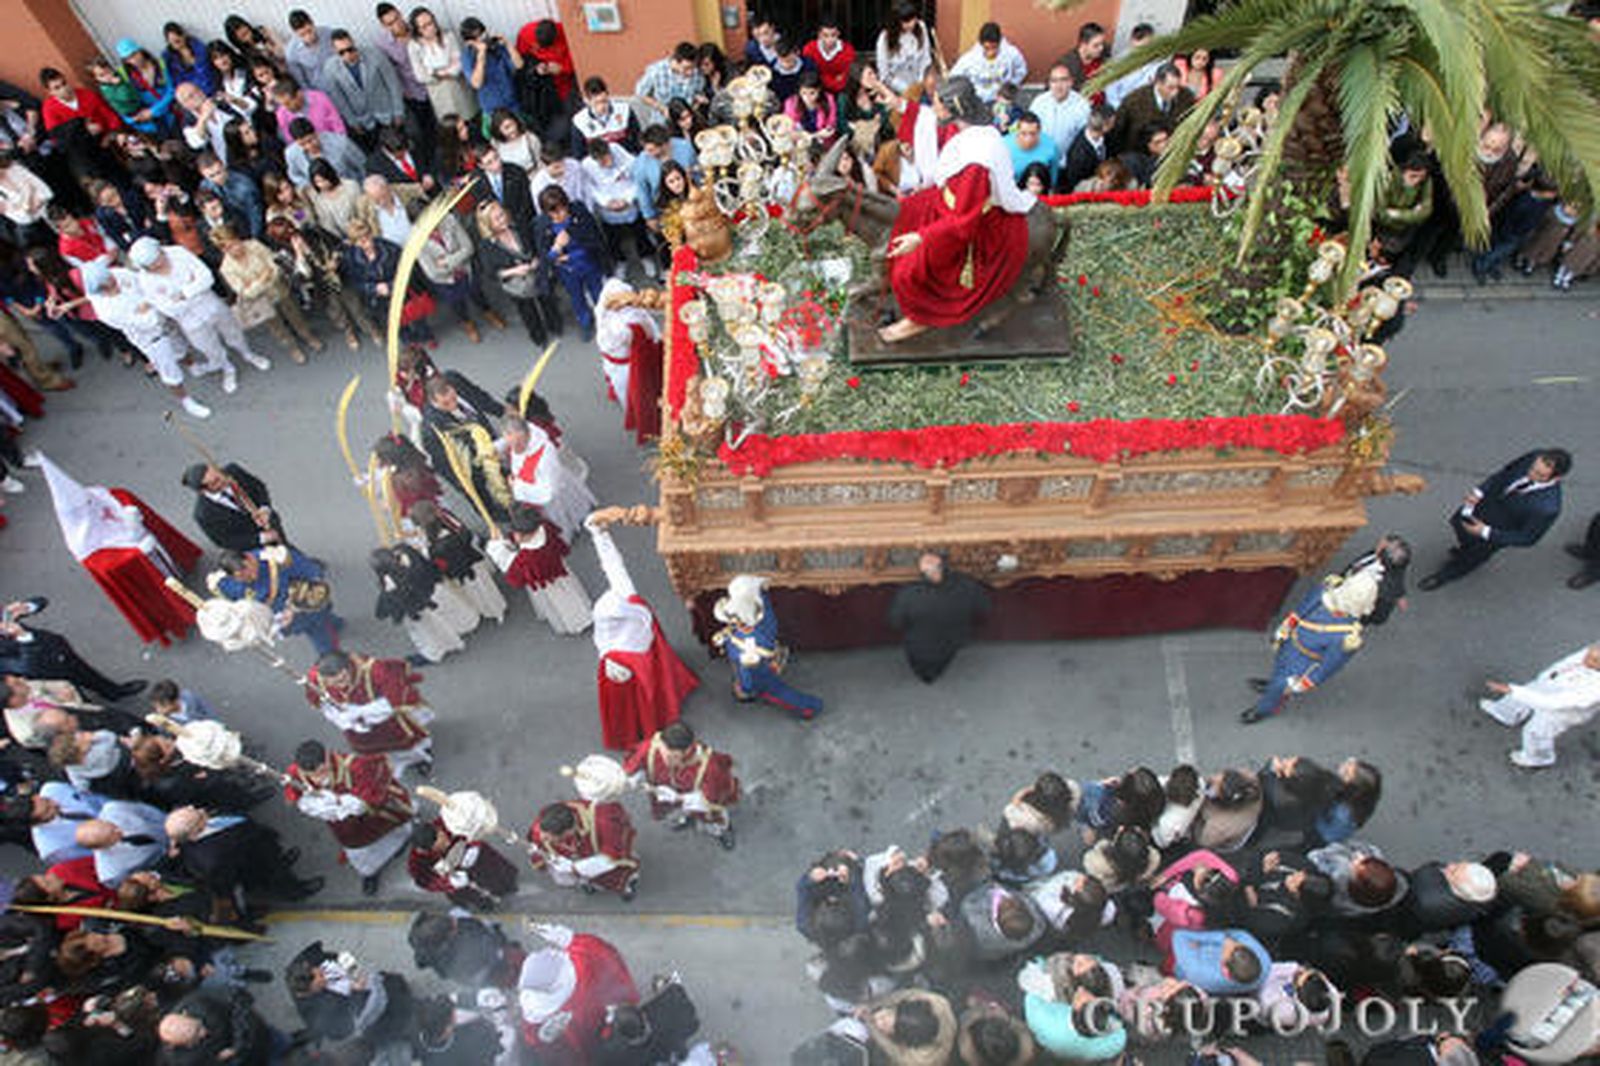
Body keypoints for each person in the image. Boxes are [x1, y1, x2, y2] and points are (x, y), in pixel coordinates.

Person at [877, 78, 1037, 343]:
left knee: (910, 271)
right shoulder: (959, 124)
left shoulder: (977, 163)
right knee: (907, 211)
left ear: (953, 109)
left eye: (937, 103)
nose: (933, 108)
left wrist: (921, 237)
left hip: (965, 219)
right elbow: (927, 121)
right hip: (945, 198)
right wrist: (898, 104)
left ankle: (920, 318)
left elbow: (964, 222)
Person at [586, 510, 699, 749]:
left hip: (636, 669)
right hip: (653, 651)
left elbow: (622, 697)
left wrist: (598, 534)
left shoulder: (612, 655)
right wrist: (599, 534)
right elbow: (613, 565)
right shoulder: (628, 599)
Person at [128, 235, 270, 395]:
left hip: (211, 305)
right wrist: (193, 288)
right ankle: (227, 368)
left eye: (160, 257)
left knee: (234, 333)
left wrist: (183, 294)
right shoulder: (145, 280)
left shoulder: (178, 253)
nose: (161, 263)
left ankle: (248, 354)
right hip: (189, 321)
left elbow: (206, 278)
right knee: (209, 348)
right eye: (154, 265)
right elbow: (168, 309)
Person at [1418, 447, 1571, 590]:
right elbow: (1504, 474)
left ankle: (1447, 574)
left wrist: (1485, 532)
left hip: (1497, 531)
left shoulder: (1548, 507)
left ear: (1557, 478)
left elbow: (1528, 538)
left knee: (1474, 555)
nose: (1530, 474)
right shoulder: (1534, 456)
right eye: (1533, 469)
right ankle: (1464, 549)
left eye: (1539, 475)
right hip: (1482, 505)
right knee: (1460, 527)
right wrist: (1479, 492)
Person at [1241, 569, 1380, 723]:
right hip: (1291, 642)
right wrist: (1283, 630)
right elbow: (1301, 611)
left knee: (1282, 682)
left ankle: (1264, 708)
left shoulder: (1349, 637)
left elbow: (1329, 665)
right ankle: (1273, 686)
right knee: (1279, 669)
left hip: (1304, 661)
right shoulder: (1326, 591)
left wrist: (1306, 682)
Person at [79, 260, 210, 419]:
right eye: (109, 282)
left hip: (164, 323)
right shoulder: (106, 311)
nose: (114, 280)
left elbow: (143, 282)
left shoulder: (117, 274)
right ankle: (186, 401)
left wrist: (148, 304)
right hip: (152, 339)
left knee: (180, 348)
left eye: (111, 276)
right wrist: (154, 302)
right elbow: (147, 322)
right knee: (170, 372)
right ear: (100, 288)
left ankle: (194, 367)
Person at [285, 738, 415, 895]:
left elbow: (377, 789)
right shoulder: (297, 773)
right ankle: (369, 872)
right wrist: (307, 802)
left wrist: (353, 803)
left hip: (371, 817)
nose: (317, 779)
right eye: (312, 776)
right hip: (346, 827)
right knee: (358, 850)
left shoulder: (354, 766)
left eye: (322, 772)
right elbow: (292, 793)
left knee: (391, 828)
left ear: (327, 759)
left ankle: (401, 842)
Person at [163, 804, 323, 922]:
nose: (201, 810)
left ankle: (280, 859)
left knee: (276, 858)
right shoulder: (210, 859)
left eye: (193, 809)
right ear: (193, 833)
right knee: (277, 876)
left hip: (258, 843)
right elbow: (225, 883)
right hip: (256, 865)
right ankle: (296, 891)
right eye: (198, 816)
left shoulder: (200, 826)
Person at [516, 923, 638, 1063]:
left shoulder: (582, 969)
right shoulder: (581, 966)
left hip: (597, 1040)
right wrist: (570, 939)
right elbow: (601, 952)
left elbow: (531, 1035)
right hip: (591, 1045)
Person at [303, 650, 434, 777]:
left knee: (403, 742)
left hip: (385, 718)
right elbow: (322, 704)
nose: (341, 686)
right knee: (372, 748)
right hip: (355, 727)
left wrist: (361, 711)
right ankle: (390, 763)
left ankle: (418, 759)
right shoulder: (315, 679)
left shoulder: (375, 670)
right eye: (334, 683)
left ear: (348, 667)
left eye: (343, 679)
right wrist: (342, 720)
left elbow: (395, 698)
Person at [710, 574, 823, 720]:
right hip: (768, 651)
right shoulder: (761, 608)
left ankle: (808, 707)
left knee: (776, 692)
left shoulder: (747, 643)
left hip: (759, 672)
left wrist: (746, 688)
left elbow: (747, 669)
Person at [1479, 640, 1600, 769]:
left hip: (1565, 711)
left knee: (1537, 731)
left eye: (1593, 660)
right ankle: (1506, 713)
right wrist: (1548, 676)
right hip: (1558, 682)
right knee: (1528, 692)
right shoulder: (1593, 654)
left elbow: (1553, 703)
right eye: (1588, 653)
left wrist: (1512, 690)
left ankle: (1539, 758)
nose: (1584, 659)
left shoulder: (1595, 690)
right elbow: (1570, 661)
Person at [623, 720, 740, 848]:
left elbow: (711, 799)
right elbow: (635, 766)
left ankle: (721, 830)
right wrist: (633, 781)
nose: (666, 761)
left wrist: (679, 798)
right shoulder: (652, 748)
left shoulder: (709, 767)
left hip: (695, 798)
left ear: (687, 751)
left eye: (673, 757)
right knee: (680, 810)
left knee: (711, 817)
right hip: (671, 793)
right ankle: (687, 816)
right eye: (664, 753)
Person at [213, 225, 321, 364]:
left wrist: (254, 283)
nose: (236, 248)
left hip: (278, 289)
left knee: (294, 315)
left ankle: (308, 336)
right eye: (229, 247)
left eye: (236, 242)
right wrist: (263, 278)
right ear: (223, 250)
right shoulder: (227, 268)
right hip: (261, 302)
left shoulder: (254, 245)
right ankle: (292, 348)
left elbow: (274, 265)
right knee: (276, 327)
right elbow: (245, 293)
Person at [0, 598, 144, 700]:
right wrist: (23, 637)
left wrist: (27, 606)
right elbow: (26, 667)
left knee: (86, 673)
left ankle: (113, 692)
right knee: (75, 696)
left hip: (57, 649)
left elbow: (41, 601)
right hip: (47, 671)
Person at [210, 544, 340, 655]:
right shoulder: (223, 584)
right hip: (277, 620)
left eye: (248, 568)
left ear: (249, 557)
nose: (251, 576)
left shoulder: (278, 559)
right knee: (324, 622)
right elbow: (235, 609)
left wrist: (294, 609)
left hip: (303, 608)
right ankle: (333, 623)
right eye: (241, 576)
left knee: (322, 635)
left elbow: (313, 576)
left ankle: (331, 656)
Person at [485, 502, 592, 635]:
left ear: (525, 534)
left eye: (516, 533)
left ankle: (579, 621)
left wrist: (496, 546)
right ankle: (582, 611)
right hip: (557, 567)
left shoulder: (528, 557)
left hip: (547, 581)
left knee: (561, 601)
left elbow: (515, 574)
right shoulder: (544, 527)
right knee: (569, 590)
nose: (515, 535)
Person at [887, 550, 991, 683]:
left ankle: (927, 675)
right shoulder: (968, 586)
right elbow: (984, 609)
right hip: (954, 642)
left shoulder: (907, 594)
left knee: (923, 667)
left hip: (918, 648)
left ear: (922, 571)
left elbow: (895, 623)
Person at [422, 371, 514, 520]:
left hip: (482, 437)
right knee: (477, 487)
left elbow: (479, 397)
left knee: (500, 472)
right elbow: (463, 451)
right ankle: (490, 513)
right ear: (433, 401)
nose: (452, 405)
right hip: (459, 462)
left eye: (453, 398)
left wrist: (501, 410)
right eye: (446, 404)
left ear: (453, 387)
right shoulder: (433, 427)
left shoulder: (455, 379)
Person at [497, 411, 594, 541]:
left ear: (525, 435)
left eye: (517, 444)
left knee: (560, 517)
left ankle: (569, 529)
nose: (514, 449)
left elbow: (551, 491)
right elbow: (506, 440)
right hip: (530, 485)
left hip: (549, 497)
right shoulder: (521, 432)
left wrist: (518, 486)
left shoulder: (546, 455)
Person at [533, 184, 607, 341]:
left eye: (562, 209)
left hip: (588, 264)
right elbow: (545, 256)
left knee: (598, 293)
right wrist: (556, 248)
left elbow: (593, 240)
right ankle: (585, 322)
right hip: (567, 272)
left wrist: (570, 256)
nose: (560, 214)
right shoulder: (541, 225)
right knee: (577, 298)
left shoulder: (579, 213)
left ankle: (605, 320)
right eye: (554, 212)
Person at [527, 798, 640, 900]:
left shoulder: (603, 821)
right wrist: (547, 860)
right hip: (576, 861)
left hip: (600, 857)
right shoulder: (544, 824)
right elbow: (538, 847)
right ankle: (590, 883)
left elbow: (611, 858)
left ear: (568, 832)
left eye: (550, 837)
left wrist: (574, 868)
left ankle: (626, 885)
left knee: (616, 876)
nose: (542, 837)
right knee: (580, 879)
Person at [407, 816, 519, 911]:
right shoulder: (416, 862)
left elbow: (471, 828)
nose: (447, 843)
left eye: (443, 837)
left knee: (500, 876)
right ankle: (490, 905)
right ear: (425, 850)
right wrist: (449, 883)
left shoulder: (446, 821)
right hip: (461, 881)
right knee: (480, 899)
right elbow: (426, 883)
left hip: (479, 858)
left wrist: (474, 845)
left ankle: (509, 886)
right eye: (441, 845)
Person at [320, 30, 404, 151]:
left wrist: (398, 111)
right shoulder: (330, 68)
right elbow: (339, 99)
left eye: (350, 49)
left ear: (353, 42)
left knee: (399, 147)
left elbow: (392, 83)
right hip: (364, 120)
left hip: (387, 113)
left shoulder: (375, 54)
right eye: (341, 52)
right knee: (377, 152)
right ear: (334, 51)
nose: (348, 55)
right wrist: (352, 122)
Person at [180, 460, 285, 552]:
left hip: (271, 523)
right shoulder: (203, 515)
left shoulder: (232, 471)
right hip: (255, 547)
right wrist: (261, 538)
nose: (223, 479)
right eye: (215, 482)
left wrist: (264, 509)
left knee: (287, 548)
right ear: (203, 491)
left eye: (218, 473)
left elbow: (259, 487)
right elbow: (224, 541)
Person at [1110, 63, 1195, 156]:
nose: (1175, 93)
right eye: (1170, 88)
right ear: (1158, 83)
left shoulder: (1186, 97)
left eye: (1177, 87)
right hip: (1138, 156)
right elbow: (1118, 133)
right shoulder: (1133, 101)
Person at [1339, 533, 1411, 625]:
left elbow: (1377, 613)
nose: (1379, 542)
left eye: (1382, 544)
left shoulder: (1379, 585)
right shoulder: (1392, 564)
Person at [950, 22, 1028, 105]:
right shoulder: (970, 58)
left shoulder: (1011, 53)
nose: (991, 52)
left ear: (1000, 43)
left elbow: (1022, 70)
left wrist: (1012, 85)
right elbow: (954, 76)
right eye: (987, 48)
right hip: (978, 101)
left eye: (994, 47)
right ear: (981, 44)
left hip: (1002, 100)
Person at [460, 18, 521, 122]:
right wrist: (481, 55)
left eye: (482, 34)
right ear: (469, 42)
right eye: (476, 37)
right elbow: (476, 83)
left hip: (512, 104)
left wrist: (508, 45)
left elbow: (519, 65)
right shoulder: (468, 56)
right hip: (492, 110)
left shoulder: (496, 47)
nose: (481, 39)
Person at [633, 42, 706, 121]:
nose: (690, 72)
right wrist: (662, 108)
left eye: (693, 67)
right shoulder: (657, 70)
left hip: (688, 121)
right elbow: (641, 93)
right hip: (662, 121)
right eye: (686, 68)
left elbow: (698, 93)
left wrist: (698, 101)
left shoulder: (696, 73)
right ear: (676, 61)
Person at [876, 0, 935, 96]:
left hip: (919, 86)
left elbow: (925, 58)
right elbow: (884, 74)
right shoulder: (885, 39)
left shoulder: (921, 28)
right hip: (896, 91)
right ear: (896, 22)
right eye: (906, 22)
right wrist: (906, 89)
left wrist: (920, 82)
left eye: (913, 19)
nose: (911, 24)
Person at [803, 15, 856, 97]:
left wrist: (822, 77)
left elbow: (848, 75)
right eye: (825, 35)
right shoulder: (809, 49)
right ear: (819, 34)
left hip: (842, 90)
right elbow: (810, 75)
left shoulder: (848, 50)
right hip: (816, 91)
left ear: (838, 33)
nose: (830, 39)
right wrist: (835, 78)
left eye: (833, 35)